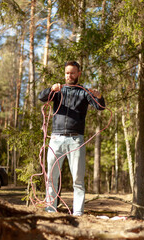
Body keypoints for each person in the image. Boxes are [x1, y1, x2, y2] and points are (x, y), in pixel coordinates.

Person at [38, 61, 106, 216]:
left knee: (78, 179)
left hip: (76, 140)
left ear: (79, 74)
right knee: (51, 178)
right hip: (55, 139)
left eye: (73, 73)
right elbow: (41, 97)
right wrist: (51, 89)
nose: (69, 76)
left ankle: (78, 213)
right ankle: (50, 211)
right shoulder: (58, 91)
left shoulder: (84, 92)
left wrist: (99, 96)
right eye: (67, 73)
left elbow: (100, 107)